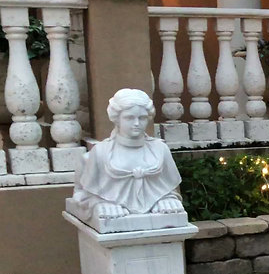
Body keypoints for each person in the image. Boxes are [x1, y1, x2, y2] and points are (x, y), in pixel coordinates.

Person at [68, 88, 184, 227]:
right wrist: (98, 203)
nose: (137, 123)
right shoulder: (101, 153)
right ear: (117, 119)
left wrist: (166, 198)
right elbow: (81, 195)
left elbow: (171, 188)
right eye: (129, 118)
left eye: (142, 118)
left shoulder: (160, 150)